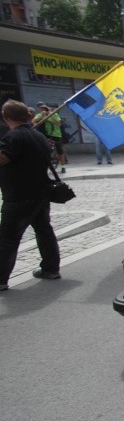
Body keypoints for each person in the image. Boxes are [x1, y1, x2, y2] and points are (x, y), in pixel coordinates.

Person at [0, 99, 62, 291]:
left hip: (19, 196)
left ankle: (1, 279)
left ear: (6, 117)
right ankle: (51, 268)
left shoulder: (13, 138)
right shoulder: (39, 136)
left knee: (8, 239)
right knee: (44, 231)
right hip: (40, 193)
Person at [32, 102, 66, 173]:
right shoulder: (40, 115)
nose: (43, 109)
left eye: (45, 108)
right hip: (47, 134)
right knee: (46, 150)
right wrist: (43, 116)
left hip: (56, 134)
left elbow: (59, 124)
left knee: (60, 150)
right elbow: (33, 121)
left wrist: (51, 116)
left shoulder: (54, 114)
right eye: (41, 108)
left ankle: (63, 166)